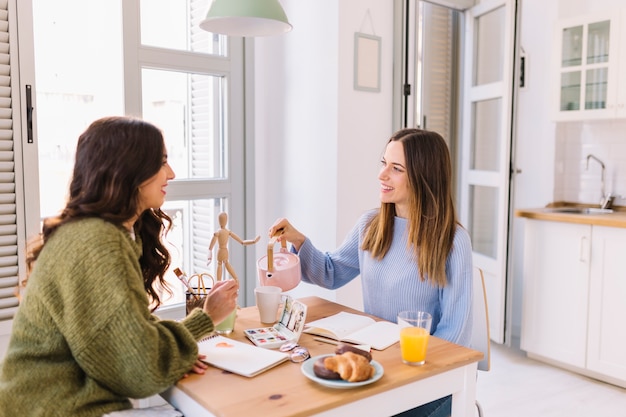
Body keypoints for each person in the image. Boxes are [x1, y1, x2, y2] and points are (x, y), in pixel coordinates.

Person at [0, 116, 239, 416]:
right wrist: (206, 319)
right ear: (131, 170)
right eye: (161, 162)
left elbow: (133, 340)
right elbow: (140, 371)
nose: (172, 173)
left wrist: (179, 346)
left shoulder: (107, 233)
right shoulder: (98, 242)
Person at [269, 128, 473, 417]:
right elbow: (330, 272)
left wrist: (407, 368)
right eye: (383, 164)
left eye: (396, 168)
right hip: (380, 365)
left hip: (431, 376)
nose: (382, 175)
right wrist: (298, 240)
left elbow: (455, 333)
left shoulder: (453, 241)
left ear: (424, 176)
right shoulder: (371, 225)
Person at [208, 211, 260, 282]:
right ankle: (235, 278)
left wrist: (209, 258)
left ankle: (219, 282)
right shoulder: (228, 232)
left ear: (219, 221)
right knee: (226, 263)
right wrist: (253, 241)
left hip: (220, 251)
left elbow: (210, 247)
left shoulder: (218, 232)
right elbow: (242, 242)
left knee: (220, 264)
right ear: (226, 221)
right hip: (225, 251)